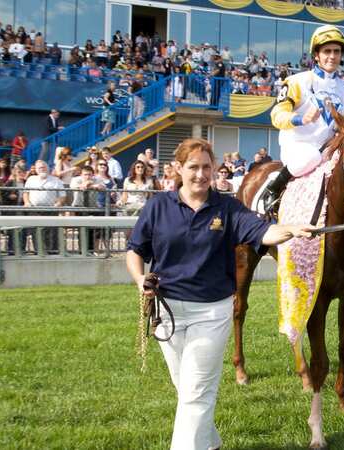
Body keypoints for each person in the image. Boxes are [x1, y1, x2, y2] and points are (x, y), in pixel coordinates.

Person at [126, 138, 313, 450]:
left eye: (206, 167)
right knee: (186, 390)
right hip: (166, 312)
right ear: (178, 169)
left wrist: (291, 228)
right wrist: (138, 278)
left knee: (197, 392)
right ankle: (210, 443)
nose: (200, 174)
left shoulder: (227, 208)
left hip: (211, 313)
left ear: (214, 169)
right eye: (193, 167)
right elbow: (135, 250)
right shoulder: (158, 206)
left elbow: (262, 231)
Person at [258, 25, 344, 214]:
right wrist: (301, 119)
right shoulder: (297, 81)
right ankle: (273, 189)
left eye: (336, 51)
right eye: (326, 51)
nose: (332, 56)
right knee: (311, 157)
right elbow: (277, 115)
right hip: (297, 145)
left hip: (327, 149)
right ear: (316, 55)